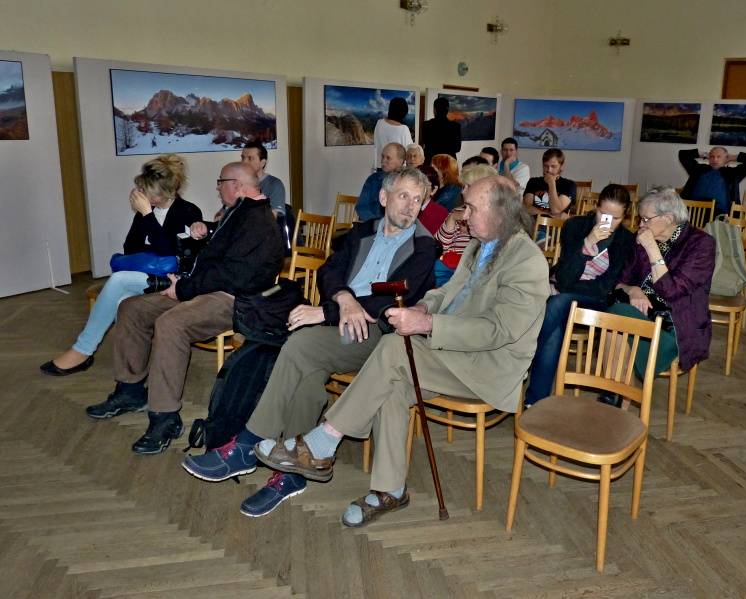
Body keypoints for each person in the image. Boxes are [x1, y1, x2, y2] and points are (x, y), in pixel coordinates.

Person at [253, 176, 550, 526]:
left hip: (486, 367)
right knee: (392, 382)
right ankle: (390, 489)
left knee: (394, 348)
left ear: (501, 213)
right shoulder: (478, 245)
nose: (463, 216)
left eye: (471, 208)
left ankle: (324, 441)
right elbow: (448, 292)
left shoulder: (526, 261)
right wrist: (424, 308)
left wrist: (427, 325)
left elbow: (498, 330)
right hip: (452, 352)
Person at [181, 167, 438, 518]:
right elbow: (328, 272)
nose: (410, 206)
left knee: (300, 344)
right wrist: (343, 300)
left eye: (417, 199)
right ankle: (293, 472)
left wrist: (330, 311)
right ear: (384, 197)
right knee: (307, 368)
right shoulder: (362, 231)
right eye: (403, 196)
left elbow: (394, 299)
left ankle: (248, 443)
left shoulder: (424, 246)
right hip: (341, 322)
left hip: (380, 334)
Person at [84, 162, 284, 454]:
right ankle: (129, 390)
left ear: (238, 186)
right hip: (206, 289)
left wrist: (185, 288)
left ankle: (165, 416)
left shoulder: (258, 221)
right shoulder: (240, 213)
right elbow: (223, 253)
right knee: (130, 308)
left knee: (171, 323)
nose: (217, 187)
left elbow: (235, 276)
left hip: (234, 299)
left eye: (220, 182)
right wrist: (209, 229)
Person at [41, 155, 202, 377]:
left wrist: (148, 216)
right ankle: (133, 360)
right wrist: (148, 221)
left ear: (167, 192)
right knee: (120, 299)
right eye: (141, 189)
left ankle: (83, 350)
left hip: (175, 279)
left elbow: (169, 254)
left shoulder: (188, 212)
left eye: (147, 191)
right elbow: (130, 247)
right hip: (146, 273)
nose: (141, 195)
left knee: (118, 281)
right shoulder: (146, 211)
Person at [601, 187, 715, 406]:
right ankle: (620, 400)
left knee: (614, 319)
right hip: (637, 314)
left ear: (668, 218)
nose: (640, 225)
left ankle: (615, 397)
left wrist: (652, 248)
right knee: (618, 319)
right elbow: (619, 280)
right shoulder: (642, 237)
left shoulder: (700, 244)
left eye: (646, 219)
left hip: (676, 326)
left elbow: (671, 291)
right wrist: (632, 289)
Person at [524, 184, 635, 406]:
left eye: (615, 218)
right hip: (562, 294)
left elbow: (604, 287)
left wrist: (568, 288)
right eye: (603, 213)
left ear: (625, 217)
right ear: (595, 207)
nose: (607, 221)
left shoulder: (626, 240)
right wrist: (587, 243)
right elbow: (564, 276)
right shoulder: (575, 227)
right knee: (555, 326)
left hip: (596, 302)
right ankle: (534, 403)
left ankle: (522, 353)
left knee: (559, 300)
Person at [433, 163, 495, 285]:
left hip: (472, 273)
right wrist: (451, 219)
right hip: (449, 270)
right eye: (463, 187)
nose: (462, 192)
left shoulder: (493, 218)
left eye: (468, 187)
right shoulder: (458, 212)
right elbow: (438, 247)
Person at [679, 146, 746, 216]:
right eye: (712, 156)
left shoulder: (733, 173)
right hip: (693, 210)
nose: (715, 160)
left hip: (719, 213)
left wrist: (732, 157)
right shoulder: (698, 169)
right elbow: (682, 155)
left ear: (726, 158)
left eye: (719, 157)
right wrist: (703, 154)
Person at [523, 148, 577, 221]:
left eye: (553, 166)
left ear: (561, 166)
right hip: (532, 224)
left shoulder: (569, 185)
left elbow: (555, 209)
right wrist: (548, 215)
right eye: (546, 166)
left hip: (555, 228)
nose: (549, 170)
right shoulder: (533, 181)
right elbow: (527, 207)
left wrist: (551, 183)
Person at [356, 142, 405, 221]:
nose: (383, 161)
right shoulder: (373, 179)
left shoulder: (407, 182)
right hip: (372, 227)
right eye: (382, 157)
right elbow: (361, 207)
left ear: (400, 161)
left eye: (388, 158)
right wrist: (378, 224)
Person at [240, 142, 286, 217]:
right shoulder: (238, 182)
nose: (244, 162)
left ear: (263, 163)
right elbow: (225, 210)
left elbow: (273, 216)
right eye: (243, 158)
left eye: (250, 158)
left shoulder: (274, 184)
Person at [372, 97, 413, 169]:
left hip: (380, 166)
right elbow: (409, 150)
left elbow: (376, 144)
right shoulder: (404, 129)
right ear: (404, 112)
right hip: (396, 170)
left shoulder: (379, 123)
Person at [417, 164, 448, 235]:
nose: (417, 188)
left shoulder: (440, 214)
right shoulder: (403, 205)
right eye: (414, 183)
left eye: (424, 184)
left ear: (433, 190)